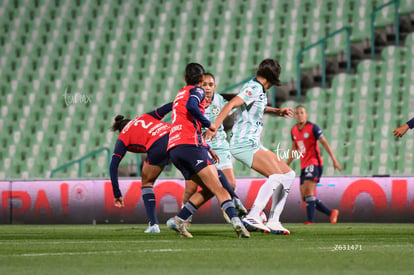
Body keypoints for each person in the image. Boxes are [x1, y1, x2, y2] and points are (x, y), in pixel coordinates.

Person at [205, 58, 295, 235]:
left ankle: (274, 220)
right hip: (243, 143)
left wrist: (277, 110)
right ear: (273, 76)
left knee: (288, 175)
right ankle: (253, 216)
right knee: (276, 176)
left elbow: (255, 105)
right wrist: (214, 126)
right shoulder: (254, 87)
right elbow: (232, 104)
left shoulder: (257, 89)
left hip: (253, 142)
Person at [166, 62, 249, 238]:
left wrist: (207, 147)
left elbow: (186, 120)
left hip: (175, 148)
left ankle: (179, 220)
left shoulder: (179, 94)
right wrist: (208, 123)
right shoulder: (197, 91)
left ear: (184, 78)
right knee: (219, 187)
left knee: (210, 187)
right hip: (190, 146)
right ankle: (237, 222)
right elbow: (192, 107)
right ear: (201, 80)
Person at [182, 72, 247, 222]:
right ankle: (185, 217)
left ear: (215, 86)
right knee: (190, 189)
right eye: (204, 85)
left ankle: (226, 206)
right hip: (199, 148)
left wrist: (269, 110)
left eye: (210, 85)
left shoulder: (220, 100)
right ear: (199, 85)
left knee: (230, 183)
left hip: (220, 147)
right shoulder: (193, 102)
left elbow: (235, 113)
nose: (208, 88)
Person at [109, 102, 172, 233]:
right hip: (175, 134)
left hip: (158, 145)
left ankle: (154, 224)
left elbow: (113, 165)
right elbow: (169, 106)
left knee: (146, 183)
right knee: (194, 174)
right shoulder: (144, 117)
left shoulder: (123, 136)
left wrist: (117, 193)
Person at [286, 105, 341, 224]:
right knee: (304, 196)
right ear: (294, 116)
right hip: (303, 165)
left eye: (302, 112)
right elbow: (294, 149)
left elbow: (325, 143)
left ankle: (310, 221)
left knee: (309, 191)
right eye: (297, 113)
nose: (299, 115)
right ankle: (331, 213)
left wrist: (333, 159)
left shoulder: (313, 128)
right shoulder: (293, 130)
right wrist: (286, 165)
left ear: (306, 114)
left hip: (314, 163)